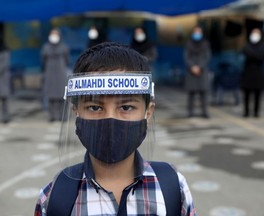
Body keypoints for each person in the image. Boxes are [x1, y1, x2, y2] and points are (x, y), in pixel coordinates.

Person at [34, 42, 196, 215]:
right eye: (95, 108)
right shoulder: (54, 196)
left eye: (126, 108)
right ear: (76, 112)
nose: (110, 121)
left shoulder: (173, 188)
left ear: (148, 113)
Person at [41, 28, 70, 122]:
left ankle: (63, 116)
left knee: (62, 96)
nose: (54, 36)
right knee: (51, 96)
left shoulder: (64, 47)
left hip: (61, 73)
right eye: (52, 34)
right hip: (50, 73)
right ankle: (52, 116)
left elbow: (67, 59)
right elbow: (43, 60)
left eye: (55, 34)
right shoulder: (46, 47)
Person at [184, 26, 211, 118]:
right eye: (196, 32)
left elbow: (207, 56)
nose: (197, 34)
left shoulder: (205, 44)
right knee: (191, 93)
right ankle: (190, 112)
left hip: (202, 70)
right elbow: (186, 56)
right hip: (191, 70)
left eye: (199, 32)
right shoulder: (188, 43)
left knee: (203, 92)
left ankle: (204, 112)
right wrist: (192, 66)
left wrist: (200, 66)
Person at [240, 28, 264, 118]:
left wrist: (253, 55)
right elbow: (246, 52)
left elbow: (260, 56)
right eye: (253, 33)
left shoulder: (262, 45)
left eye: (257, 33)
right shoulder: (246, 45)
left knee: (258, 94)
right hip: (248, 72)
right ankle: (246, 111)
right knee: (246, 93)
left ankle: (256, 112)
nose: (255, 35)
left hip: (258, 72)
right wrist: (255, 55)